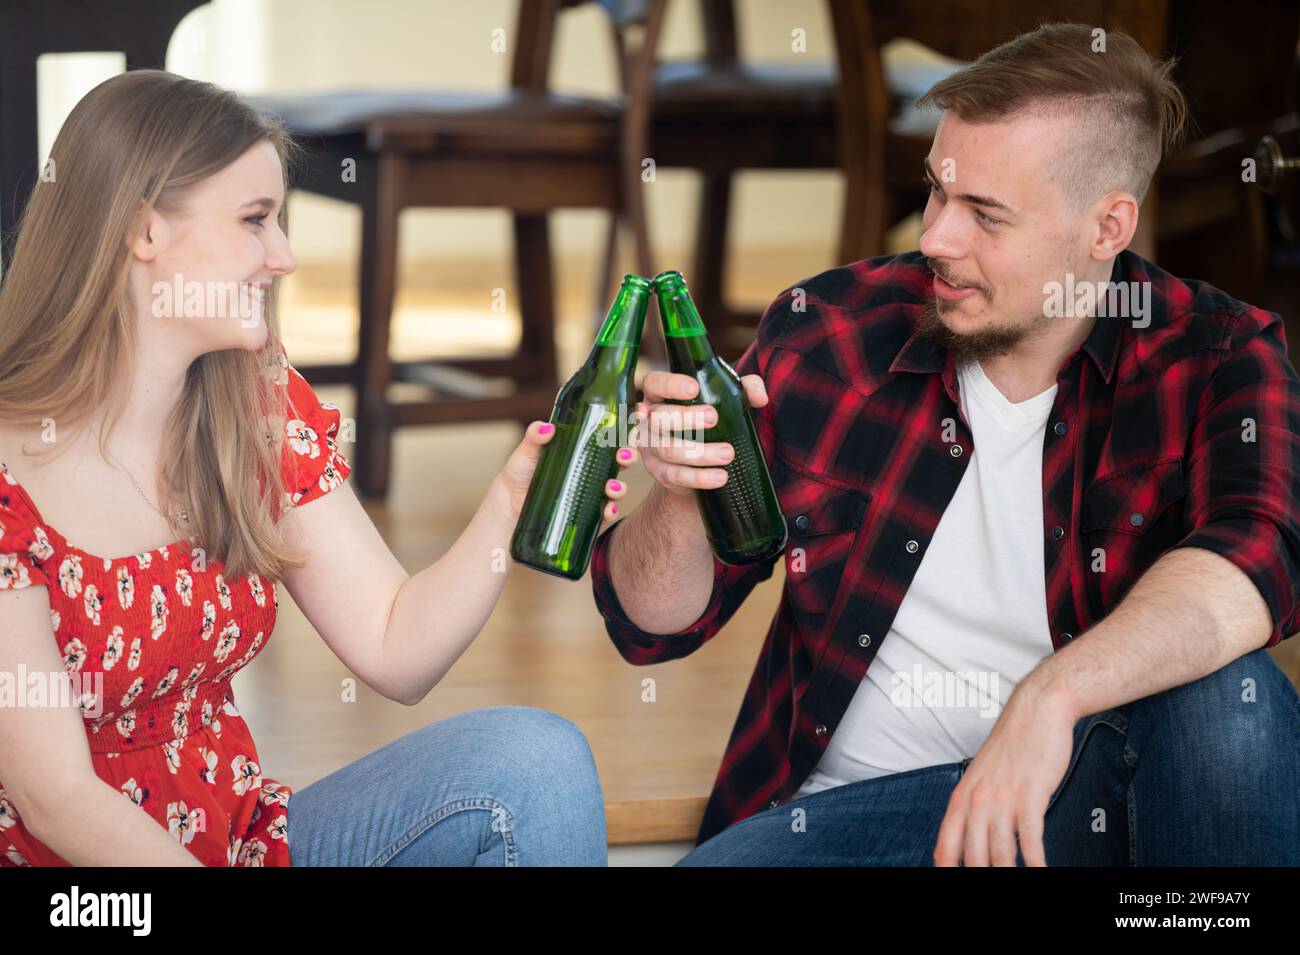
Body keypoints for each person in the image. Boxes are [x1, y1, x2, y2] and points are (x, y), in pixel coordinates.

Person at [590, 22, 1300, 866]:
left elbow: (1259, 557)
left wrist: (1049, 700)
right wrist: (679, 494)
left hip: (1072, 807)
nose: (935, 238)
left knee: (1236, 699)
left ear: (1108, 227)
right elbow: (651, 627)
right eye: (936, 192)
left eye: (984, 215)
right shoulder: (831, 330)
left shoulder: (1217, 354)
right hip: (850, 818)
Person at [0, 69, 632, 867]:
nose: (286, 257)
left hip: (240, 846)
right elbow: (56, 799)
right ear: (145, 229)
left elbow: (395, 649)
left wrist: (506, 507)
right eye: (256, 220)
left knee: (532, 761)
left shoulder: (255, 412)